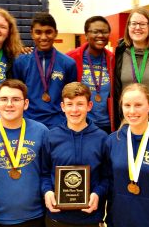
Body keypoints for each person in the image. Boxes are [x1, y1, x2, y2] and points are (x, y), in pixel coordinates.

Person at [0, 79, 48, 227]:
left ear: (26, 104)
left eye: (16, 99)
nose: (10, 104)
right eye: (4, 99)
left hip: (36, 216)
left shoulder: (41, 131)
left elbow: (47, 173)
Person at [41, 82, 108, 227]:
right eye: (69, 104)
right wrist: (47, 192)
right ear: (62, 107)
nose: (75, 110)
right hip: (56, 218)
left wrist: (97, 193)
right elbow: (44, 173)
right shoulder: (50, 137)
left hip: (91, 218)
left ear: (89, 106)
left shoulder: (102, 138)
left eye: (80, 104)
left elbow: (107, 177)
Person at [105, 83, 149, 227]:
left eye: (138, 105)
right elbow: (107, 183)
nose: (132, 111)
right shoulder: (112, 141)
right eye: (127, 105)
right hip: (119, 220)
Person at [13, 12, 77, 129]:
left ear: (56, 33)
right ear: (32, 33)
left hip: (59, 125)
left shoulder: (68, 63)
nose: (43, 37)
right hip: (28, 124)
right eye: (38, 32)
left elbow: (71, 97)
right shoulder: (21, 62)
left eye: (48, 32)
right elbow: (17, 95)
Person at [67, 16, 115, 133]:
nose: (100, 35)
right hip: (81, 124)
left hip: (107, 125)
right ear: (86, 35)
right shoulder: (71, 58)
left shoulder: (113, 59)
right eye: (95, 32)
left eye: (104, 32)